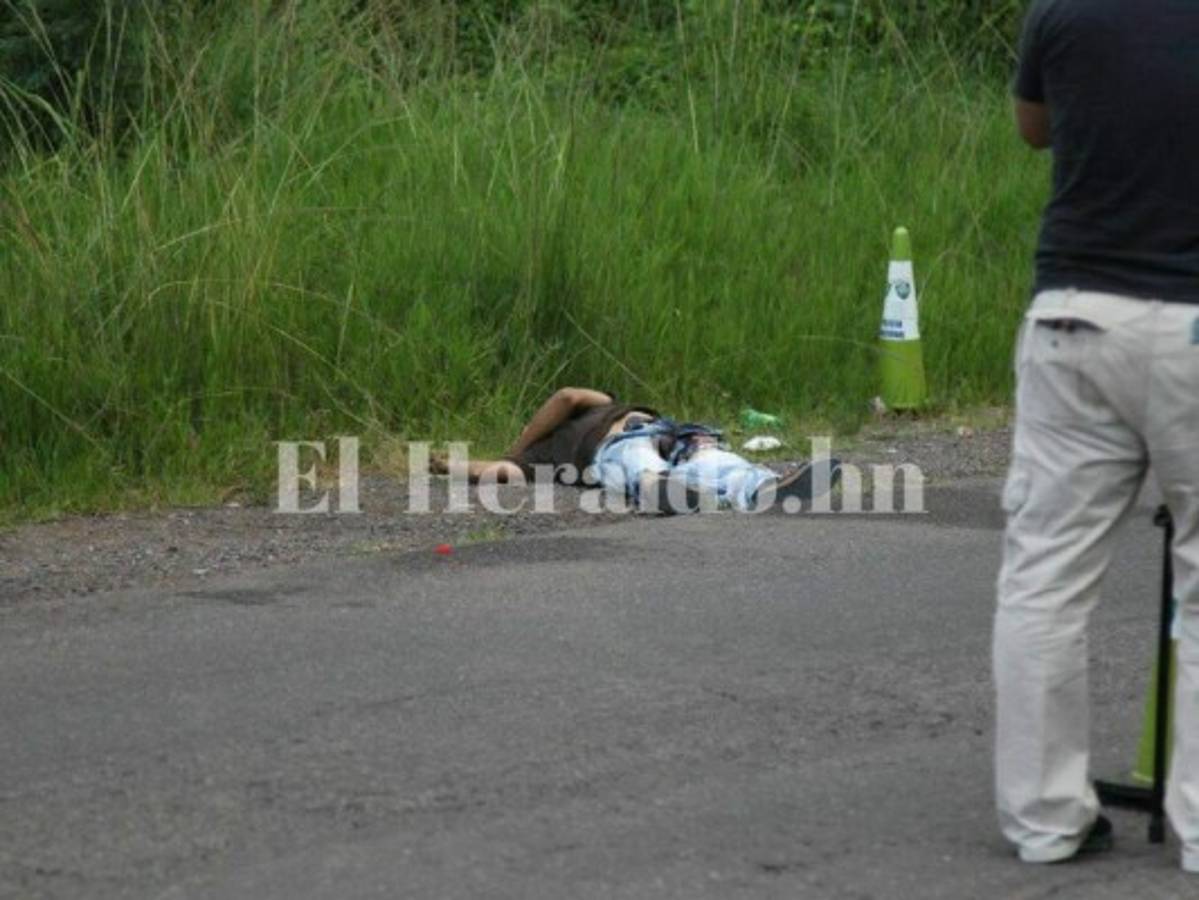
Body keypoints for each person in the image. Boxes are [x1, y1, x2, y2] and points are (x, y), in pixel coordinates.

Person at [995, 0, 1199, 870]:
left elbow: (1034, 128)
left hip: (1074, 315)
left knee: (1044, 573)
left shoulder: (1062, 9)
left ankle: (1044, 820)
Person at [433, 387, 838, 512]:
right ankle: (745, 489)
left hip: (661, 435)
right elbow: (499, 473)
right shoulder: (542, 461)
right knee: (681, 461)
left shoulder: (594, 408)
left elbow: (566, 396)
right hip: (642, 441)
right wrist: (448, 465)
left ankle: (767, 490)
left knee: (704, 457)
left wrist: (514, 450)